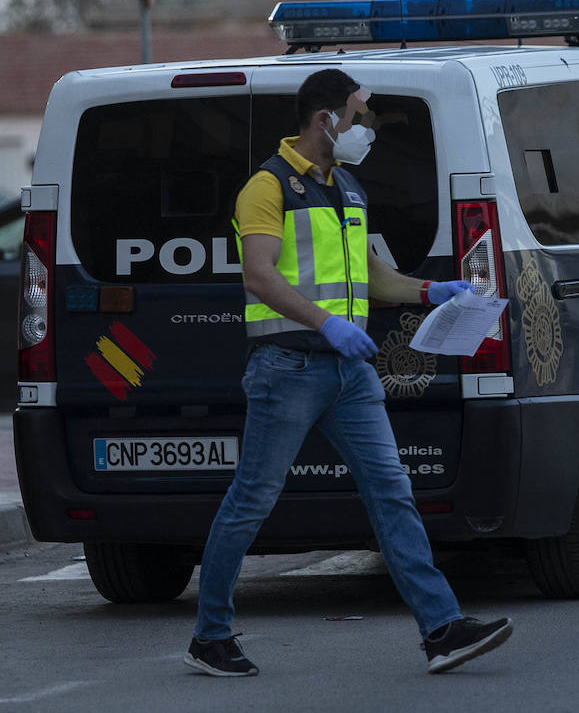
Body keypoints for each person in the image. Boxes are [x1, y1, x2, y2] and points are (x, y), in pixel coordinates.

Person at [185, 69, 513, 676]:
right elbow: (259, 274)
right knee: (252, 500)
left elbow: (372, 275)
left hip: (349, 373)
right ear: (325, 120)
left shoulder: (348, 186)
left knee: (391, 491)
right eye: (361, 116)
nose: (369, 127)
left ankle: (441, 628)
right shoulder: (267, 187)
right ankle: (210, 636)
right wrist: (326, 323)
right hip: (287, 366)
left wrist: (430, 291)